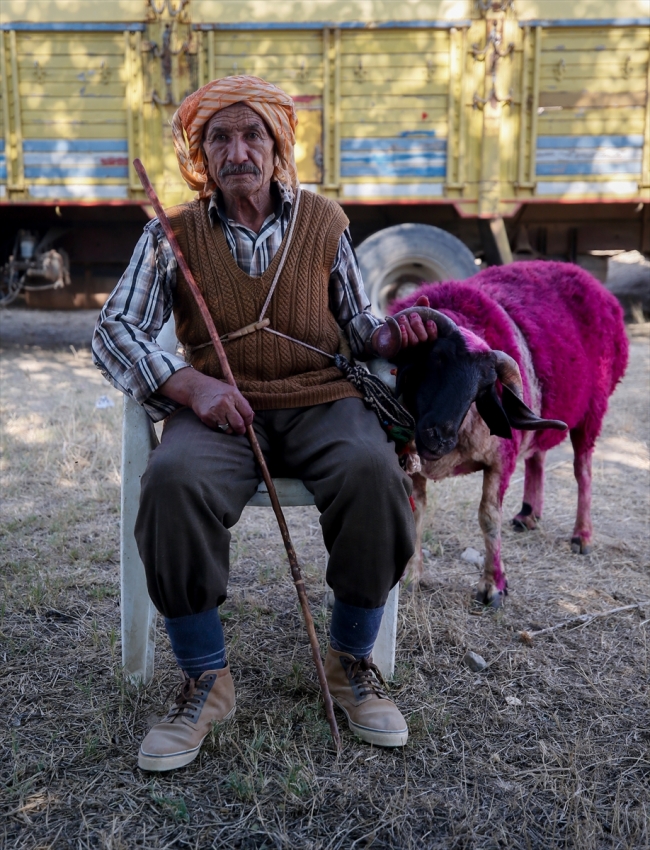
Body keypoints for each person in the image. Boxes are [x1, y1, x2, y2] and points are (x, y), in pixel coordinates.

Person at [92, 76, 437, 772]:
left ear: (279, 146)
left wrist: (390, 338)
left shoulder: (324, 222)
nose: (237, 149)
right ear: (202, 154)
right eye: (219, 136)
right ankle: (204, 679)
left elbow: (359, 323)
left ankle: (349, 662)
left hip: (320, 396)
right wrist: (188, 384)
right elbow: (114, 330)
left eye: (254, 134)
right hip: (220, 405)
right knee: (174, 481)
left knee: (374, 474)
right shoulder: (172, 236)